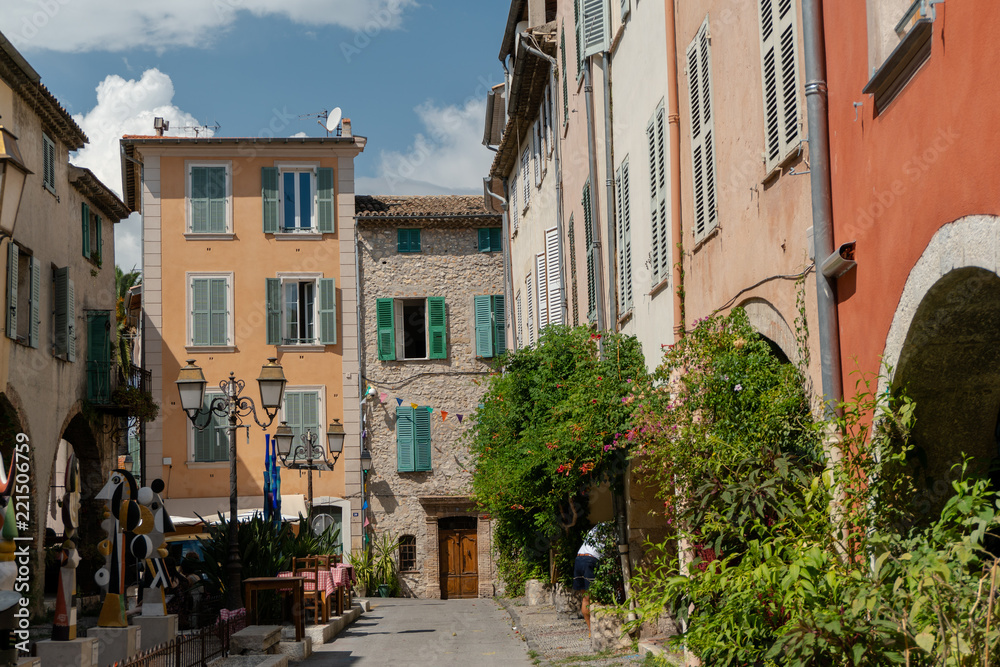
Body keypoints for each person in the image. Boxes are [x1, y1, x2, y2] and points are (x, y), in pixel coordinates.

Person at [573, 524, 603, 634]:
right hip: (590, 560)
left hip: (579, 558)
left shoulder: (596, 527)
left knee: (585, 598)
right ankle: (595, 631)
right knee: (594, 597)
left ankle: (591, 630)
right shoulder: (611, 530)